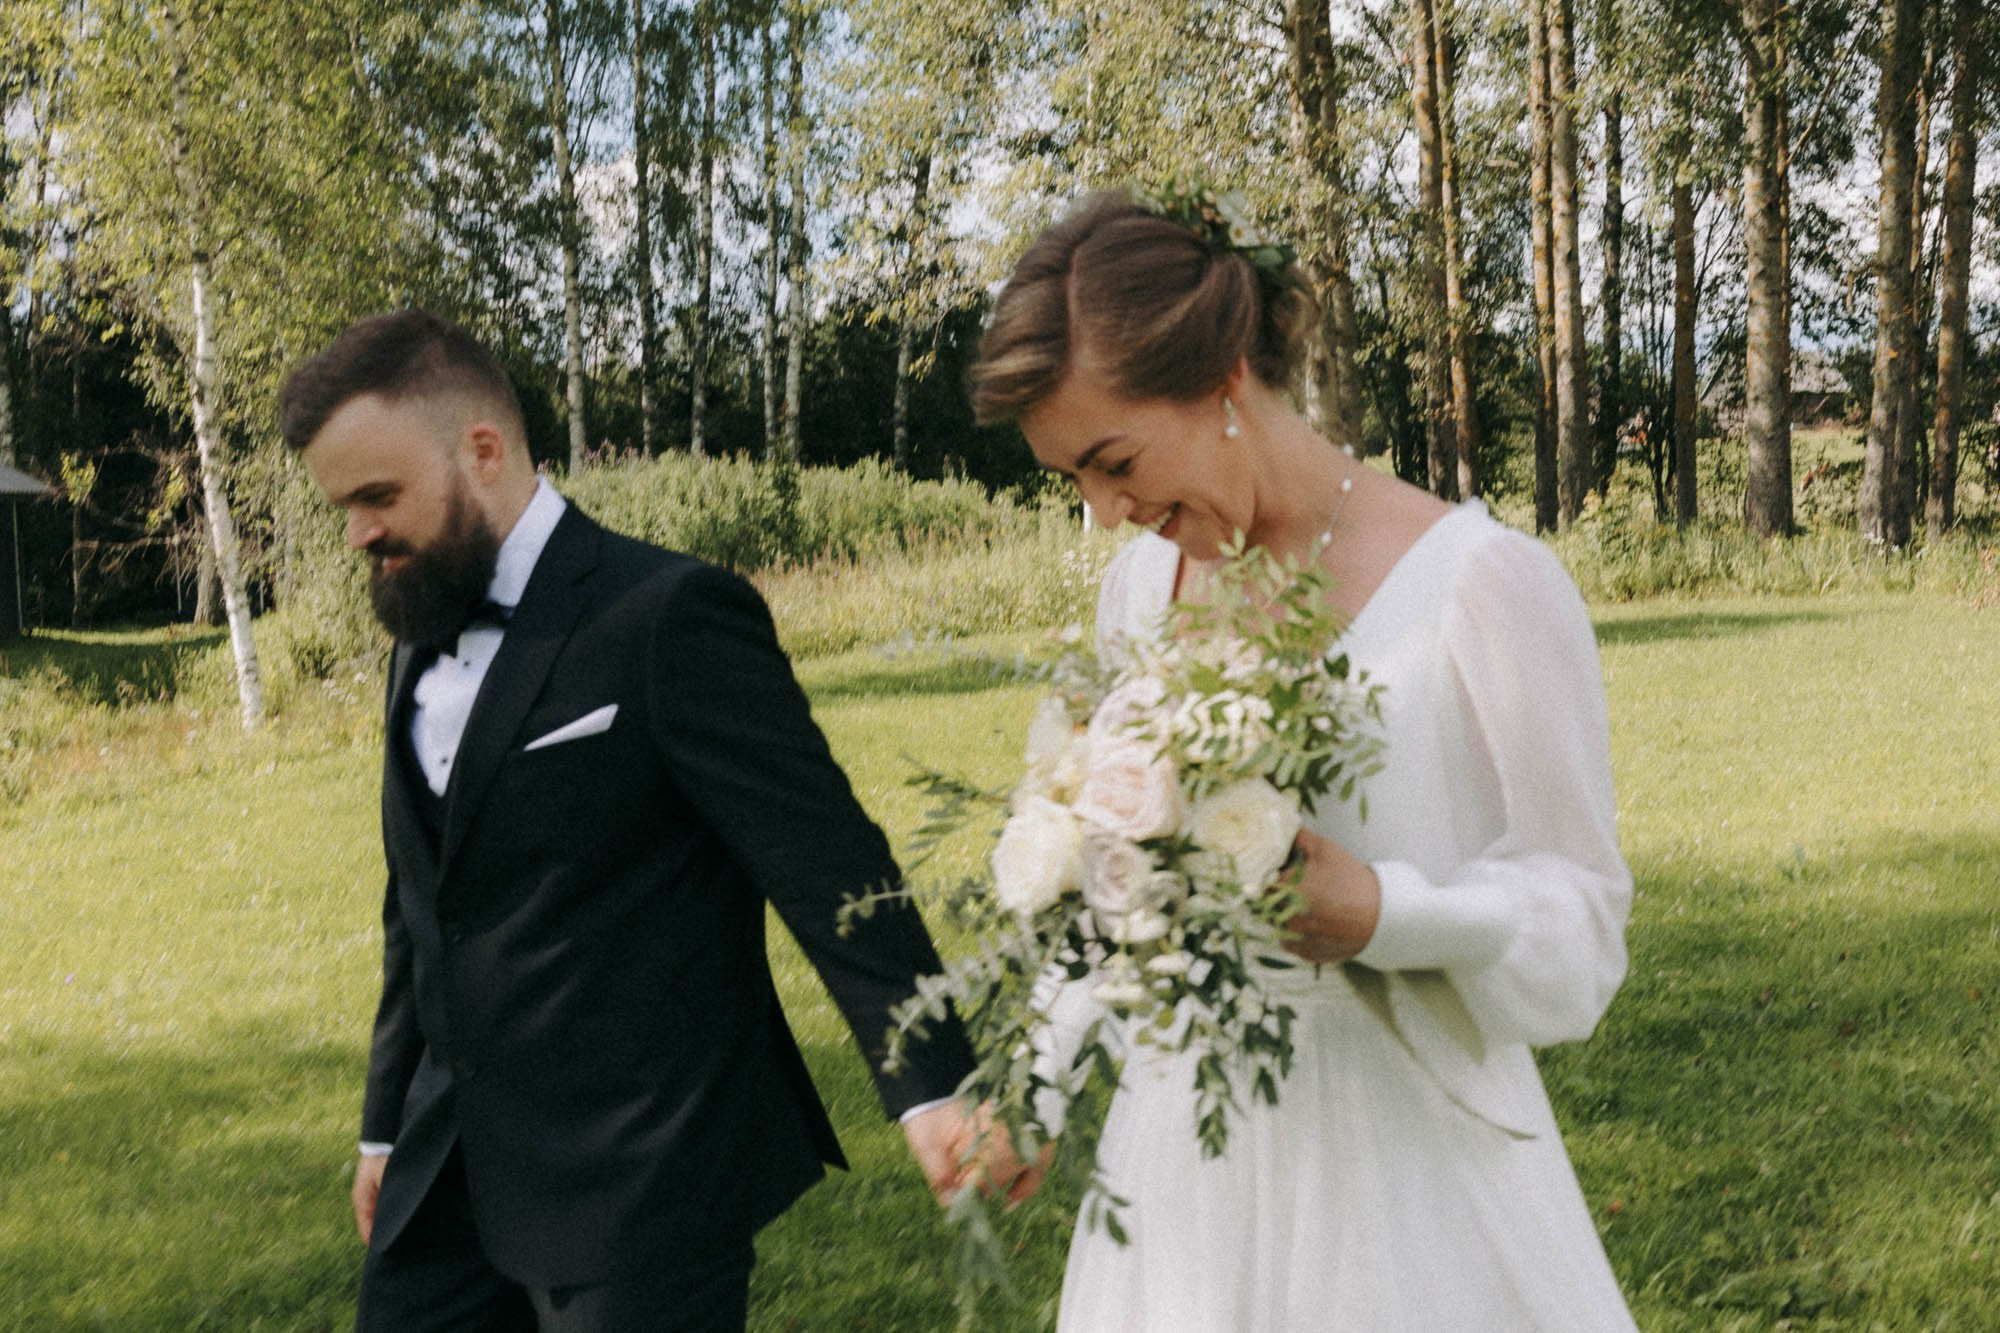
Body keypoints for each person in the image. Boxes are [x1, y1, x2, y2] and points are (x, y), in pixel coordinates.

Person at [968, 190, 1638, 1331]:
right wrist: (1035, 1078)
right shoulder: (1140, 592)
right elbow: (1128, 893)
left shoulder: (1481, 586)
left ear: (1227, 374)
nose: (1103, 513)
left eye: (1112, 459)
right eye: (1069, 480)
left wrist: (1384, 913)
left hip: (1413, 1188)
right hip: (1185, 1184)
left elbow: (1580, 931)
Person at [278, 310, 999, 1331]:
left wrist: (932, 1081)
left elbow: (824, 859)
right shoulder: (419, 617)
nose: (356, 532)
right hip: (445, 1172)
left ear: (481, 451)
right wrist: (385, 1125)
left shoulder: (668, 614)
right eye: (342, 506)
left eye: (376, 496)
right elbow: (422, 900)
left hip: (642, 1179)